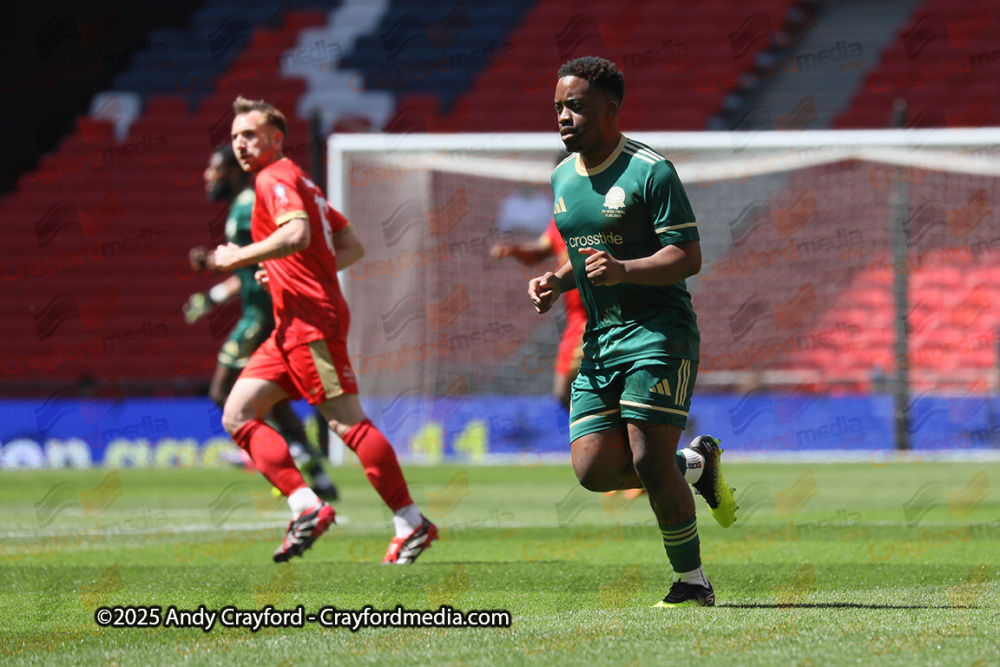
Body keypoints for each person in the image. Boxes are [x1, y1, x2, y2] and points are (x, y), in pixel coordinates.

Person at [528, 57, 737, 607]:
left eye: (575, 105)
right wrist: (557, 281)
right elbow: (585, 255)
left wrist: (625, 271)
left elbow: (687, 256)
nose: (564, 117)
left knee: (646, 458)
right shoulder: (561, 177)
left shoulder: (651, 171)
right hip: (600, 339)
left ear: (611, 109)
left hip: (658, 334)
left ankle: (692, 582)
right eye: (558, 107)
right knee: (593, 472)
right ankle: (697, 465)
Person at [213, 96, 436, 564]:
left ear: (276, 138)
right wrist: (288, 268)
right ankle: (306, 506)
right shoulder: (301, 181)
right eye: (235, 137)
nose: (241, 144)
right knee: (237, 413)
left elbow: (297, 235)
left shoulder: (275, 178)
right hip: (290, 321)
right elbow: (349, 245)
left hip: (311, 321)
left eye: (250, 135)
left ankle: (411, 522)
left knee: (346, 423)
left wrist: (242, 256)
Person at [185, 145, 338, 501]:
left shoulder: (248, 207)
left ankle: (272, 457)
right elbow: (248, 269)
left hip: (264, 313)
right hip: (263, 309)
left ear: (234, 171)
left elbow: (272, 256)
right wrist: (213, 294)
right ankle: (315, 473)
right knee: (273, 402)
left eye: (214, 168)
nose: (207, 176)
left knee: (223, 392)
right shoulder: (241, 207)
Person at [492, 217, 586, 411]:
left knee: (569, 390)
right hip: (577, 320)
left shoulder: (596, 211)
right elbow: (539, 250)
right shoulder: (561, 216)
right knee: (564, 393)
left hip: (603, 314)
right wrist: (515, 249)